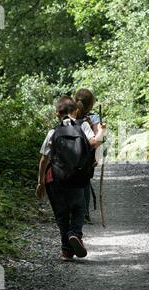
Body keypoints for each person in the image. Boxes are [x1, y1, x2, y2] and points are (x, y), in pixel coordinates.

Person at [36, 96, 106, 261]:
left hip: (55, 179)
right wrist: (102, 131)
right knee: (79, 208)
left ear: (56, 114)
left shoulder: (53, 132)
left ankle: (66, 251)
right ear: (76, 111)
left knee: (61, 215)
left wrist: (40, 183)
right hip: (77, 176)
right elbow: (94, 143)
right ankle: (75, 233)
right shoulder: (84, 125)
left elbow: (43, 159)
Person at [75, 89, 101, 224]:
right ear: (91, 104)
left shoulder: (70, 113)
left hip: (69, 154)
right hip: (86, 156)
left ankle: (69, 211)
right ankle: (84, 212)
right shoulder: (94, 118)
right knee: (84, 181)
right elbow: (97, 139)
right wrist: (97, 156)